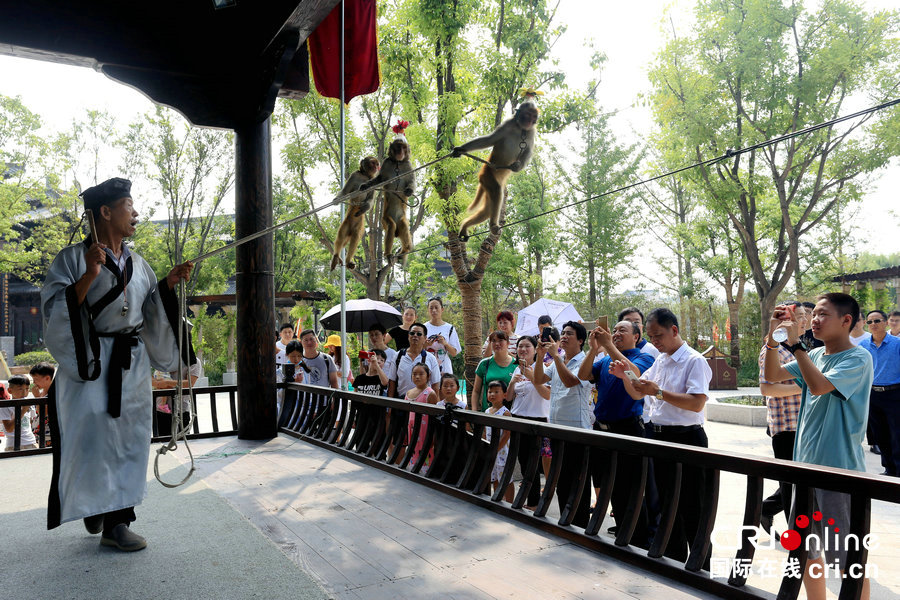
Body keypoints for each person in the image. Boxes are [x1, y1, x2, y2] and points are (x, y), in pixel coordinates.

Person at [40, 177, 194, 551]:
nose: (136, 213)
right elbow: (55, 311)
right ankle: (96, 506)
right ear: (105, 212)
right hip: (89, 363)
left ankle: (117, 522)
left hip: (132, 364)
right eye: (129, 204)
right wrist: (90, 274)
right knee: (92, 441)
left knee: (129, 441)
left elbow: (150, 312)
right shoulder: (72, 259)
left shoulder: (139, 265)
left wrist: (168, 287)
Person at [764, 293, 873, 599]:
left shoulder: (858, 358)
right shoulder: (816, 357)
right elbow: (772, 375)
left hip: (838, 473)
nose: (814, 320)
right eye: (814, 315)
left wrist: (796, 345)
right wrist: (773, 341)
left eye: (823, 314)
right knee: (808, 555)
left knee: (848, 562)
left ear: (846, 321)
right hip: (805, 471)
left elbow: (819, 386)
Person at [611, 308, 712, 569]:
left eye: (658, 336)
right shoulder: (662, 360)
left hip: (687, 438)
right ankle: (674, 562)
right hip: (660, 437)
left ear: (674, 331)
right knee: (667, 505)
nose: (654, 342)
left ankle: (703, 566)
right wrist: (625, 377)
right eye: (652, 337)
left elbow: (697, 404)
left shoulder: (693, 361)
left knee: (694, 506)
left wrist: (659, 393)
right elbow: (637, 393)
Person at [577, 321, 655, 549]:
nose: (617, 333)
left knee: (632, 489)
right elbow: (583, 375)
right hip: (601, 430)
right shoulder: (603, 360)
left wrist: (609, 345)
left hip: (628, 429)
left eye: (623, 331)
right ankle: (622, 534)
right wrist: (593, 349)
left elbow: (635, 375)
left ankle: (639, 541)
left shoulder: (643, 357)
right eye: (615, 330)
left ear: (637, 337)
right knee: (612, 488)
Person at [533, 321, 593, 528]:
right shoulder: (559, 361)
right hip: (558, 429)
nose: (564, 337)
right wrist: (540, 357)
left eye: (570, 334)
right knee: (563, 480)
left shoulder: (584, 362)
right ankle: (565, 522)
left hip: (577, 430)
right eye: (563, 333)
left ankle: (581, 524)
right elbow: (539, 378)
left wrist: (556, 356)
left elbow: (570, 381)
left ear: (581, 340)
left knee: (578, 481)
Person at [756, 302, 807, 539]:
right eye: (798, 317)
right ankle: (796, 539)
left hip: (804, 427)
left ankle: (767, 510)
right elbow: (767, 389)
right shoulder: (774, 350)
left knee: (801, 485)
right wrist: (807, 387)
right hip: (787, 428)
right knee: (791, 487)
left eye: (806, 316)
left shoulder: (801, 348)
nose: (804, 321)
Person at [507, 335, 551, 509]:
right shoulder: (517, 369)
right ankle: (529, 499)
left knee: (534, 463)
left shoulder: (544, 368)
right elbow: (509, 398)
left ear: (535, 350)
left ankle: (534, 502)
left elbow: (547, 395)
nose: (523, 350)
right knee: (524, 462)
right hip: (518, 418)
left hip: (537, 419)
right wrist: (511, 382)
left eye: (527, 346)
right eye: (520, 346)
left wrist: (530, 375)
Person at [860, 309, 900, 476]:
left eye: (877, 321)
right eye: (870, 322)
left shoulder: (897, 344)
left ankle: (899, 470)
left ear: (886, 322)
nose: (873, 325)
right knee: (880, 434)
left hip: (895, 394)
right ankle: (888, 468)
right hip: (873, 394)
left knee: (897, 434)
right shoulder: (862, 346)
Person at [386, 322, 441, 399]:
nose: (415, 336)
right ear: (408, 336)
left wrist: (435, 407)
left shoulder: (431, 358)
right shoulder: (398, 356)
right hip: (401, 402)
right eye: (412, 333)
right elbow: (392, 382)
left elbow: (435, 385)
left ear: (425, 338)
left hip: (422, 403)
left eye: (419, 334)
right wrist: (390, 406)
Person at [152, 359, 202, 437]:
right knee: (162, 442)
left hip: (180, 410)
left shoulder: (193, 360)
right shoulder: (163, 357)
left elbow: (190, 383)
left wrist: (166, 383)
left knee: (181, 443)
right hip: (159, 410)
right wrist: (157, 383)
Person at [471, 330, 517, 412]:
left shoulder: (516, 365)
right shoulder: (484, 363)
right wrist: (474, 412)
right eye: (494, 341)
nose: (497, 344)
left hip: (510, 415)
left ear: (508, 343)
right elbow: (476, 391)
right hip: (488, 413)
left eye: (500, 340)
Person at [484, 379, 514, 502]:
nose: (492, 394)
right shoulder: (487, 411)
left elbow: (507, 434)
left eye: (496, 392)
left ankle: (511, 502)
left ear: (505, 395)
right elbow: (485, 431)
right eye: (490, 392)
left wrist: (496, 448)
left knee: (506, 478)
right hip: (491, 450)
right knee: (495, 476)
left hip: (502, 452)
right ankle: (498, 499)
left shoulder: (505, 413)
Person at [405, 363, 439, 466]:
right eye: (414, 374)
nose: (417, 377)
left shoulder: (430, 394)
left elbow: (434, 418)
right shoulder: (408, 393)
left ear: (428, 376)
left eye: (421, 374)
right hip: (411, 430)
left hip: (425, 431)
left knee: (425, 454)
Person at [424, 297, 461, 374]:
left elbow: (454, 353)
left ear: (442, 309)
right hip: (427, 368)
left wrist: (445, 343)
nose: (434, 310)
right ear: (428, 310)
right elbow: (416, 350)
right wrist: (426, 345)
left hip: (445, 368)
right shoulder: (423, 328)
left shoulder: (449, 328)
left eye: (436, 307)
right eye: (431, 308)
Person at [1, 375, 38, 451]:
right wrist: (23, 410)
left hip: (31, 442)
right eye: (20, 389)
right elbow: (9, 429)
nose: (24, 392)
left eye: (27, 389)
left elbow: (30, 423)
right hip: (13, 445)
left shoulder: (29, 404)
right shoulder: (5, 406)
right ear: (10, 390)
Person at [29, 361, 55, 446]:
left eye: (36, 379)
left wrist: (37, 397)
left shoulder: (53, 392)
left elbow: (43, 412)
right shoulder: (43, 391)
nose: (34, 383)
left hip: (48, 435)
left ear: (47, 378)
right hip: (40, 434)